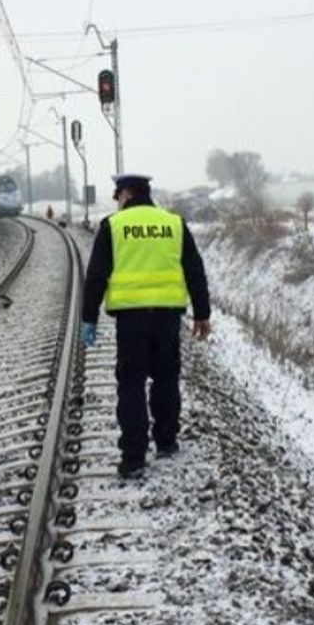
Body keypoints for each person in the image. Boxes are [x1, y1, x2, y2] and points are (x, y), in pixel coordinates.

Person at [80, 173, 211, 478]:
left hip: (131, 320)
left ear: (126, 193)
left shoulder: (113, 226)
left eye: (117, 196)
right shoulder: (174, 224)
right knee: (166, 378)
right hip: (167, 317)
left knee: (131, 383)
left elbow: (97, 275)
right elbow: (194, 270)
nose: (117, 202)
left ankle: (134, 457)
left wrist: (89, 317)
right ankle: (166, 440)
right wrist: (202, 313)